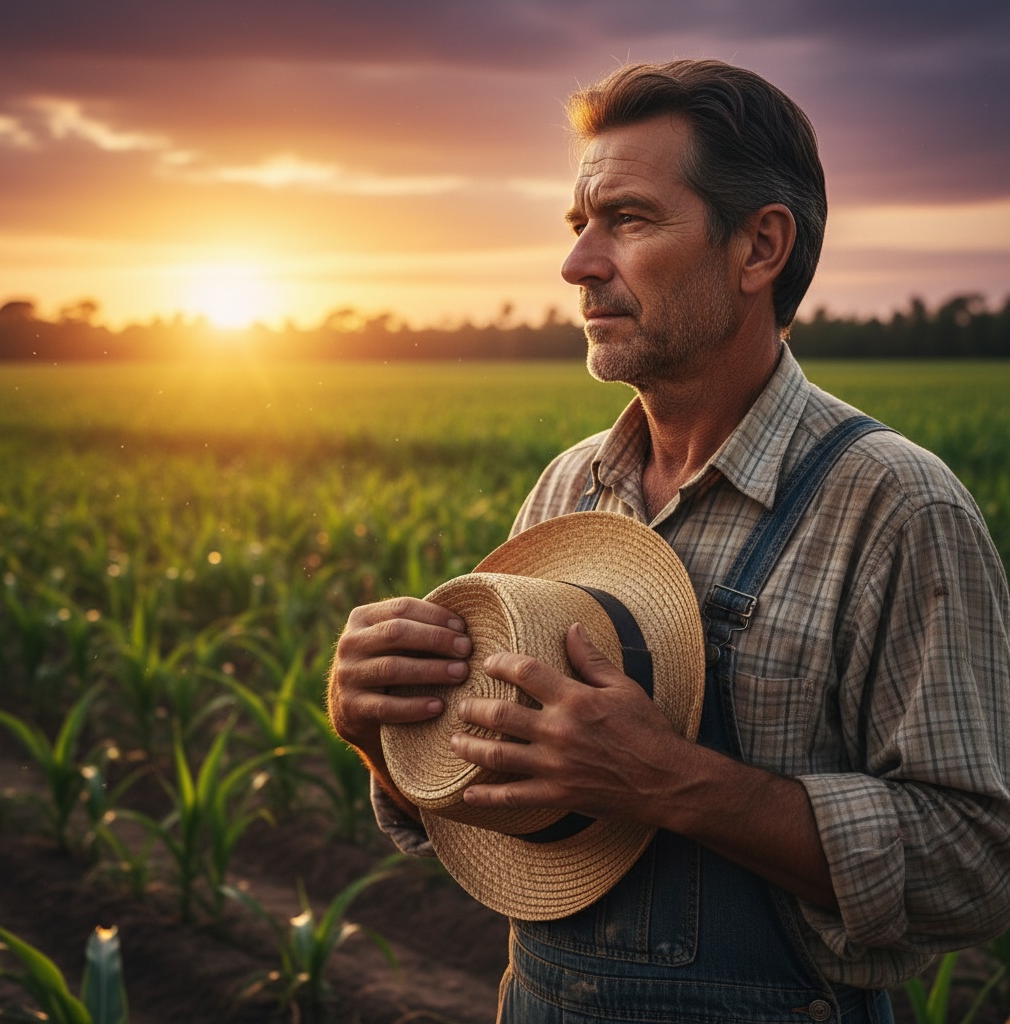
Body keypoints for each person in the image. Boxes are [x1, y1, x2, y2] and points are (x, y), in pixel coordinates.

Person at [328, 59, 1010, 1022]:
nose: (578, 266)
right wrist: (384, 734)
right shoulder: (572, 487)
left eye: (630, 221)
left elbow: (977, 865)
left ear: (759, 247)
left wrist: (675, 785)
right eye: (578, 227)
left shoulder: (896, 506)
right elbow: (514, 802)